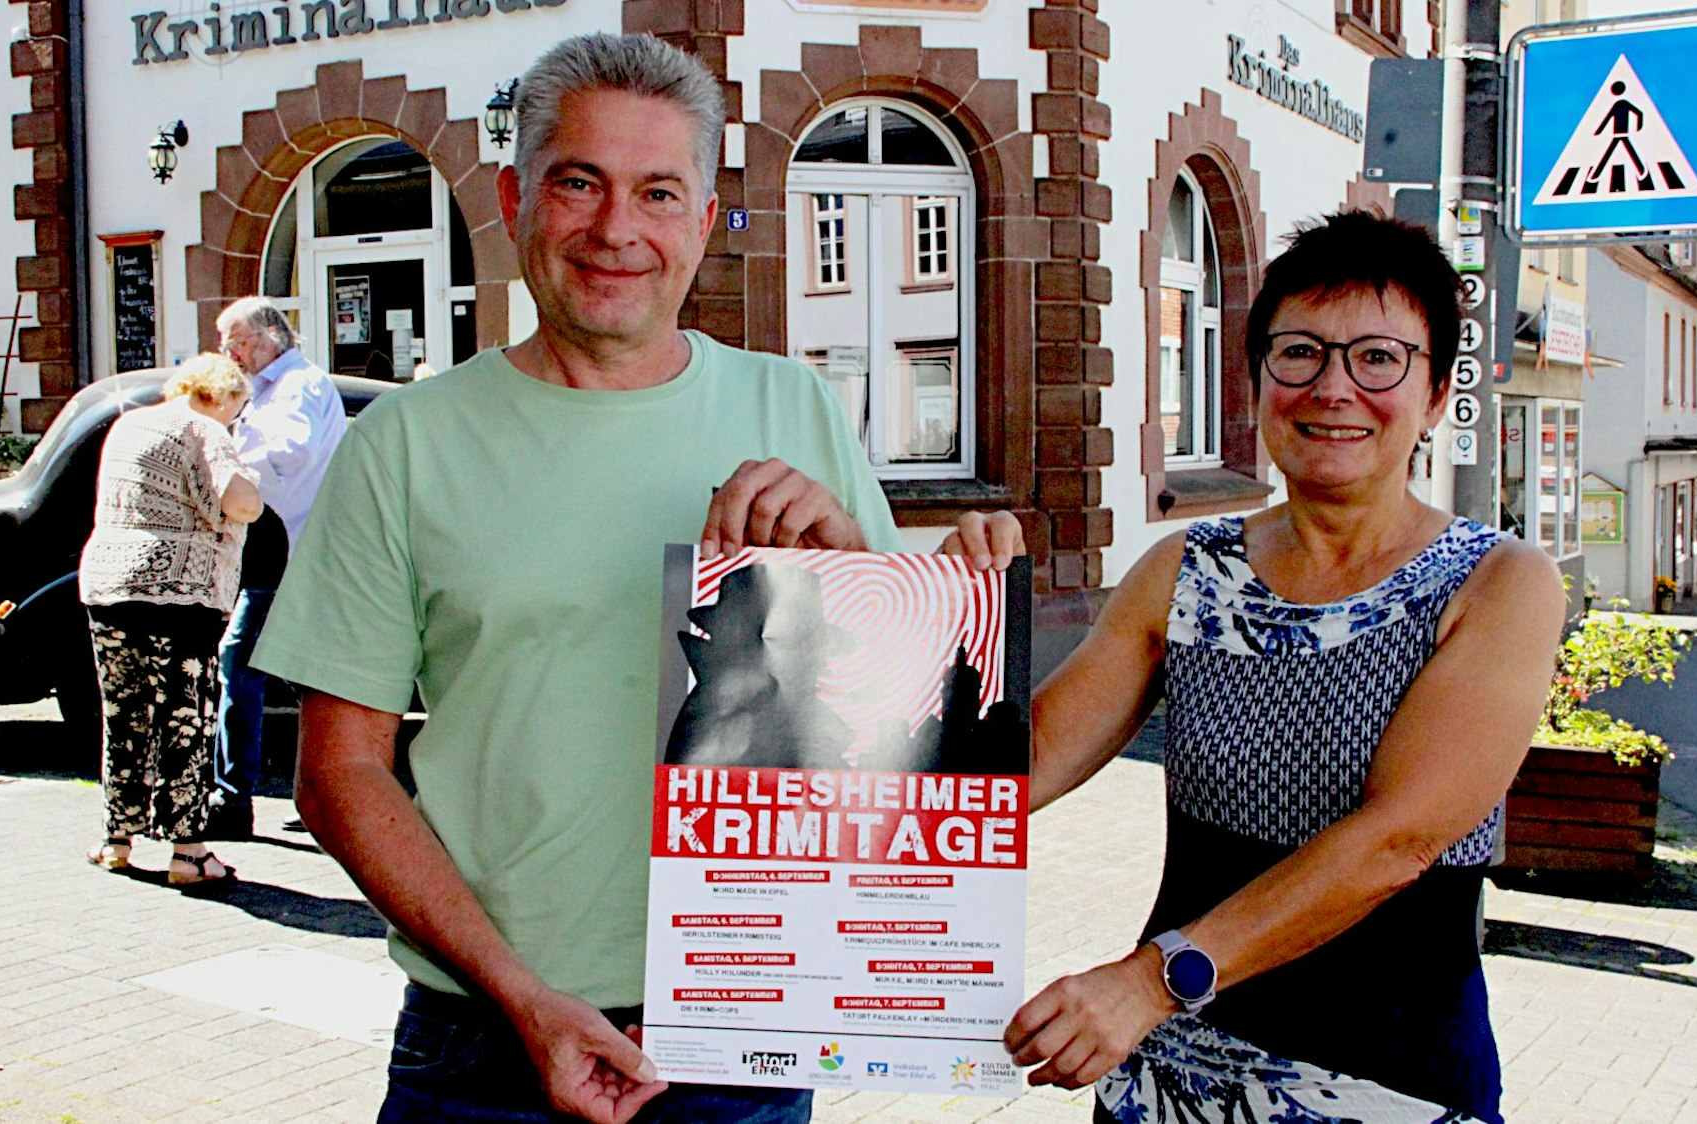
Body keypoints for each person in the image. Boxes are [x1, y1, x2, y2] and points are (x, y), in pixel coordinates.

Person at [249, 32, 1021, 1124]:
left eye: (659, 192)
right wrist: (524, 997)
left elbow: (886, 750)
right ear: (515, 196)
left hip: (740, 1018)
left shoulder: (793, 405)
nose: (617, 230)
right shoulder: (406, 444)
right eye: (580, 182)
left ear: (703, 220)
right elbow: (337, 777)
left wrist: (877, 576)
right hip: (483, 1038)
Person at [993, 211, 1565, 1123]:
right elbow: (1010, 773)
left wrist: (1150, 983)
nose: (1332, 388)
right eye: (1298, 353)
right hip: (1173, 1081)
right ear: (1256, 381)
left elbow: (1399, 841)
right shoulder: (1187, 569)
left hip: (1386, 1083)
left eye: (1377, 358)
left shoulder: (1496, 584)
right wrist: (943, 611)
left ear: (1434, 394)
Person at [80, 353, 263, 889]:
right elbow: (241, 503)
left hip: (110, 584)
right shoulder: (204, 429)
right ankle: (188, 851)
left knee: (125, 713)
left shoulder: (127, 424)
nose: (238, 416)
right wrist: (248, 475)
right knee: (186, 715)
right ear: (222, 394)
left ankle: (117, 837)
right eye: (240, 406)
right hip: (180, 590)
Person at [208, 296, 346, 839]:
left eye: (236, 341)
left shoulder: (297, 387)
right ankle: (325, 794)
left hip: (287, 550)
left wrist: (227, 470)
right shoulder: (271, 389)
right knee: (301, 679)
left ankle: (232, 801)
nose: (230, 353)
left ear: (269, 337)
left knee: (238, 668)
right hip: (283, 549)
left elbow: (292, 451)